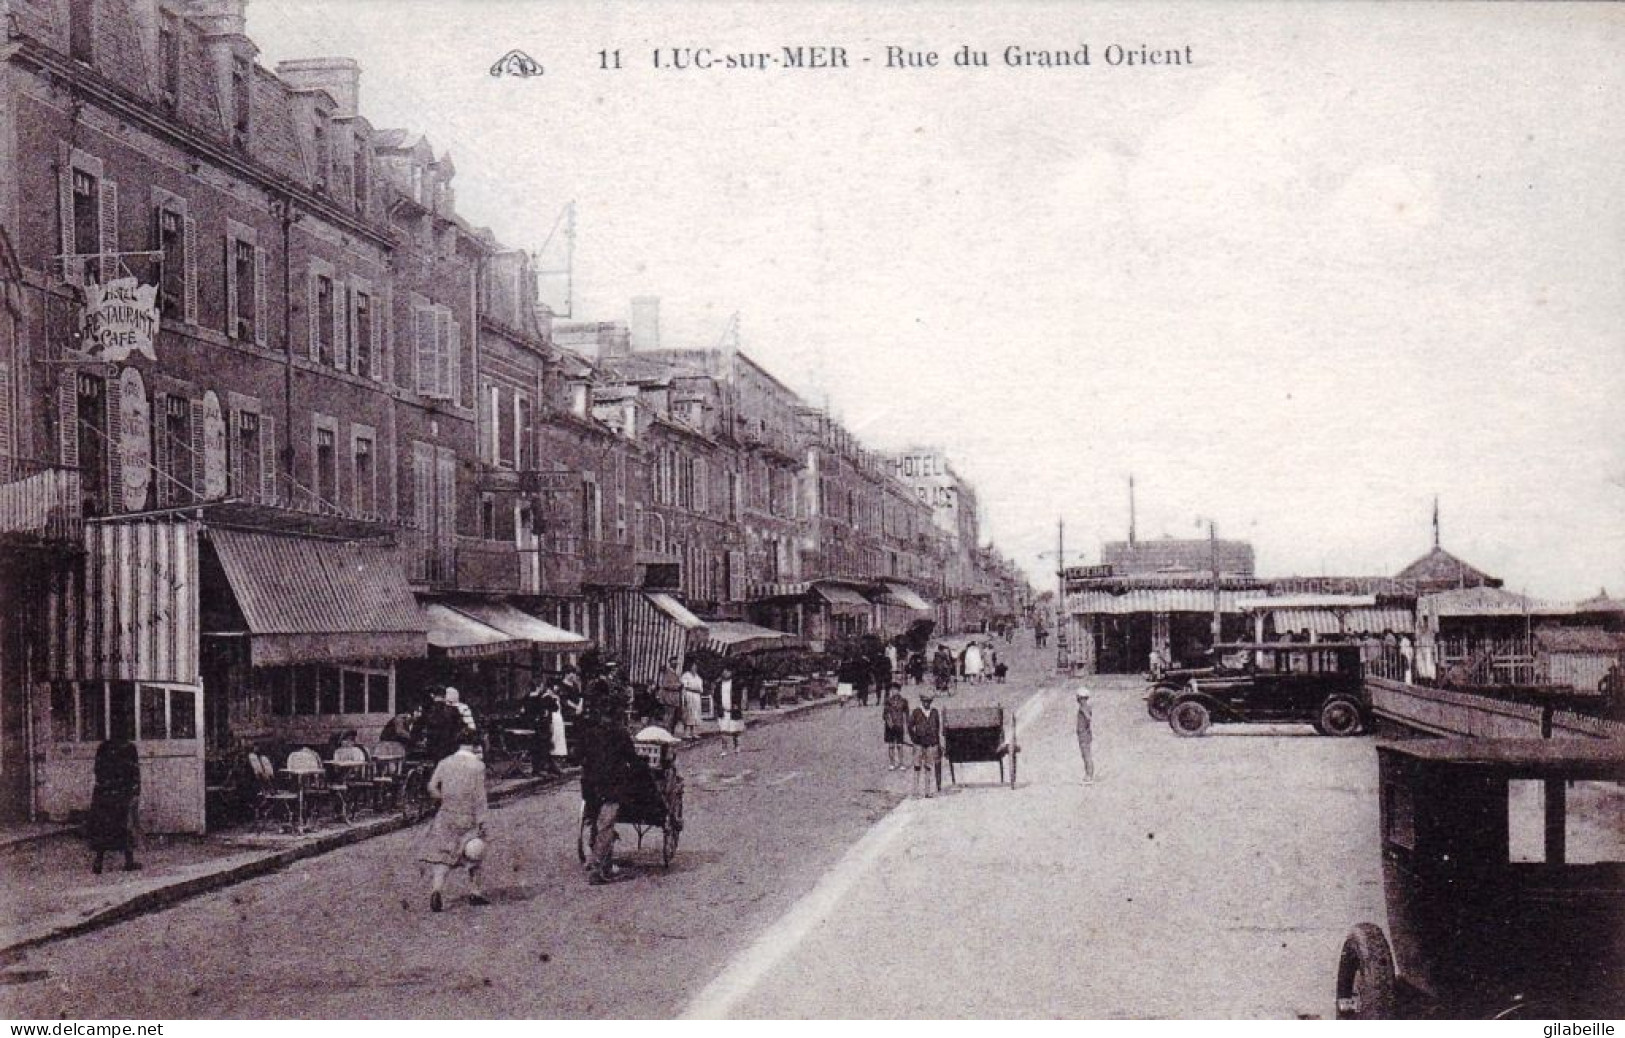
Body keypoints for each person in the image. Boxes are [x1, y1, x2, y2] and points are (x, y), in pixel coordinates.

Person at [578, 689, 645, 885]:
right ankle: (598, 868)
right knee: (606, 825)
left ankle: (602, 862)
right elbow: (632, 759)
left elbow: (578, 755)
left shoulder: (589, 732)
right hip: (611, 785)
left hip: (590, 785)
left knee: (594, 821)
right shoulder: (619, 734)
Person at [419, 728, 490, 911]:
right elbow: (480, 796)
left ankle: (436, 890)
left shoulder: (445, 762)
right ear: (474, 745)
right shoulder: (477, 766)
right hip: (468, 816)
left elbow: (432, 787)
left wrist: (444, 799)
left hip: (446, 814)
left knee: (443, 855)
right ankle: (475, 892)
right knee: (474, 852)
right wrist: (482, 821)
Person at [87, 729, 142, 874]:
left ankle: (98, 862)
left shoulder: (102, 748)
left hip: (103, 793)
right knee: (125, 827)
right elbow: (135, 772)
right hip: (122, 793)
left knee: (103, 829)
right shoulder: (130, 748)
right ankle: (128, 861)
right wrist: (135, 792)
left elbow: (97, 770)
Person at [908, 690, 944, 798]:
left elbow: (937, 728)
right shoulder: (916, 712)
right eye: (924, 701)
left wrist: (937, 743)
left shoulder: (934, 712)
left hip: (930, 744)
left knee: (928, 766)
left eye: (928, 701)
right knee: (917, 766)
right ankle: (915, 791)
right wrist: (914, 738)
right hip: (918, 744)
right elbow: (910, 727)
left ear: (931, 701)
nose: (926, 703)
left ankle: (927, 792)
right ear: (921, 701)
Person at [717, 666, 745, 753]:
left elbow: (740, 695)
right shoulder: (719, 684)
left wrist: (738, 705)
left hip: (734, 710)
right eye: (724, 671)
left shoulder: (736, 684)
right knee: (723, 731)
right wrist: (718, 706)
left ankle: (736, 746)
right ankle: (724, 748)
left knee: (735, 730)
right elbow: (716, 696)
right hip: (723, 710)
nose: (725, 673)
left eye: (727, 671)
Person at [883, 684, 910, 771]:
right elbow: (884, 714)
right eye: (892, 690)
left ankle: (901, 763)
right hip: (889, 727)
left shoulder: (904, 701)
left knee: (900, 745)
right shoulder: (888, 701)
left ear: (899, 691)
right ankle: (892, 763)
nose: (894, 691)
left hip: (899, 726)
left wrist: (907, 726)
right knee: (891, 745)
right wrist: (889, 721)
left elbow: (907, 714)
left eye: (896, 690)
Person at [656, 656, 683, 731]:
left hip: (674, 698)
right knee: (669, 716)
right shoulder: (667, 673)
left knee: (674, 716)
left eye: (676, 663)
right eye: (674, 662)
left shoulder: (675, 673)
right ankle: (666, 732)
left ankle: (670, 732)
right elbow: (665, 685)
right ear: (670, 663)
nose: (675, 664)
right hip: (669, 697)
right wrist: (677, 686)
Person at [679, 663, 705, 741]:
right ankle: (686, 734)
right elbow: (685, 686)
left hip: (696, 697)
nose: (694, 668)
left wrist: (696, 689)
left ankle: (693, 732)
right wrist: (694, 688)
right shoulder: (686, 675)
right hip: (688, 696)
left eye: (696, 667)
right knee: (688, 714)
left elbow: (701, 689)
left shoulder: (698, 677)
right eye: (693, 666)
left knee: (695, 714)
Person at [1075, 687, 1095, 782]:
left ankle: (1089, 774)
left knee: (1086, 754)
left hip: (1083, 734)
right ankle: (1089, 773)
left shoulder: (1083, 708)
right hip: (1085, 734)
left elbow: (1088, 717)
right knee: (1086, 754)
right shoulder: (1087, 707)